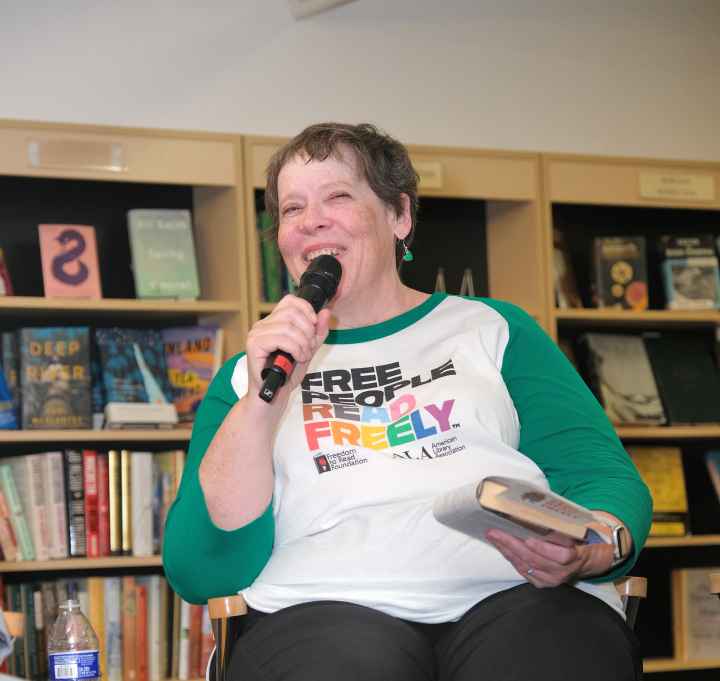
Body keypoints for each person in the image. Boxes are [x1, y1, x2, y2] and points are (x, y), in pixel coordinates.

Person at [163, 122, 651, 681]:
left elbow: (602, 477)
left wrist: (595, 546)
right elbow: (201, 569)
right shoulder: (252, 372)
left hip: (520, 595)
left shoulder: (493, 329)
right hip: (322, 613)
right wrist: (260, 402)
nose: (311, 220)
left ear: (400, 216)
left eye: (338, 196)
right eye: (292, 208)